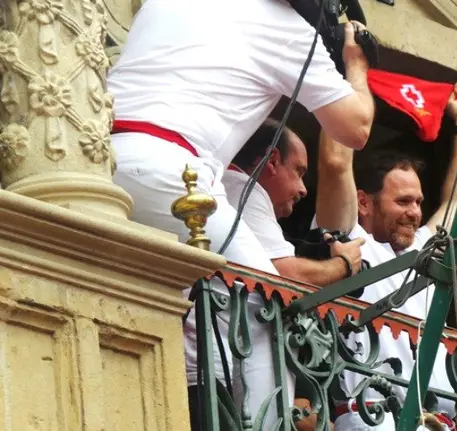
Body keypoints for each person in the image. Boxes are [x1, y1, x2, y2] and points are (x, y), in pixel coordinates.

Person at [106, 0, 374, 427]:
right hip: (175, 171)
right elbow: (355, 128)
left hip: (101, 164)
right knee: (265, 304)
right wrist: (355, 64)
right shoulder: (287, 28)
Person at [315, 81, 457, 429]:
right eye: (403, 202)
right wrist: (347, 84)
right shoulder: (352, 238)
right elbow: (335, 164)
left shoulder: (422, 247)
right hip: (373, 416)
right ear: (363, 202)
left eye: (418, 202)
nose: (415, 212)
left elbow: (456, 203)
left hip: (437, 421)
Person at [222, 119, 366, 285]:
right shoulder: (241, 186)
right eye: (298, 172)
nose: (303, 190)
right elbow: (285, 275)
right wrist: (345, 263)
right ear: (272, 160)